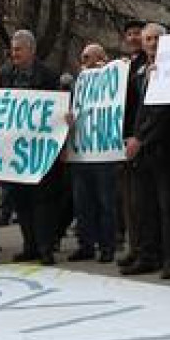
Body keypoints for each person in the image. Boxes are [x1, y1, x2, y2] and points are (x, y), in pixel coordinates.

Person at [122, 23, 170, 278]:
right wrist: (131, 137)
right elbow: (138, 109)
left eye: (157, 38)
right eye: (148, 39)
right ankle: (148, 255)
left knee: (167, 206)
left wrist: (141, 139)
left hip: (166, 146)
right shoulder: (139, 71)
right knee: (144, 205)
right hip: (143, 147)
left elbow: (165, 112)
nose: (152, 43)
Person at [0, 29, 61, 265]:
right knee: (21, 200)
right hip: (16, 149)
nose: (13, 53)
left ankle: (46, 248)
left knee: (42, 201)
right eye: (12, 49)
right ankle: (30, 246)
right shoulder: (4, 74)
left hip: (40, 148)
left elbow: (58, 107)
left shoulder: (49, 76)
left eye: (18, 49)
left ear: (31, 50)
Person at [66, 43, 119, 263]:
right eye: (82, 58)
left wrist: (112, 70)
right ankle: (86, 244)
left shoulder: (113, 83)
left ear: (101, 59)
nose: (84, 62)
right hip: (81, 151)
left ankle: (107, 246)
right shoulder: (77, 86)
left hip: (104, 153)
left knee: (106, 202)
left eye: (88, 57)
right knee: (82, 202)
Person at [117, 19, 146, 268]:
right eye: (130, 34)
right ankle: (133, 246)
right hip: (123, 138)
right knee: (127, 199)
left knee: (140, 200)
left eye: (139, 33)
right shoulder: (122, 67)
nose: (134, 37)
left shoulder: (148, 65)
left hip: (142, 138)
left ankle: (144, 249)